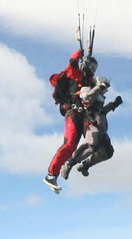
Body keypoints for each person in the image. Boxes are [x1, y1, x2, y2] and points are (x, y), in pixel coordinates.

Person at [43, 49, 96, 193]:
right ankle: (51, 174)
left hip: (82, 116)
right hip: (72, 113)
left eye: (95, 67)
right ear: (85, 65)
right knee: (69, 144)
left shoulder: (89, 82)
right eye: (91, 66)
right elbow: (72, 62)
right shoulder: (76, 74)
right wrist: (79, 53)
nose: (93, 70)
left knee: (76, 146)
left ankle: (57, 172)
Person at [61, 77, 122, 180]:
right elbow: (86, 99)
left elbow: (102, 111)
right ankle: (69, 163)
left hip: (100, 126)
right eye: (105, 88)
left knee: (108, 152)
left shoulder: (99, 97)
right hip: (90, 123)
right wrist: (98, 88)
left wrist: (114, 104)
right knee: (92, 144)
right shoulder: (87, 89)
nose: (105, 91)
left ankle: (85, 165)